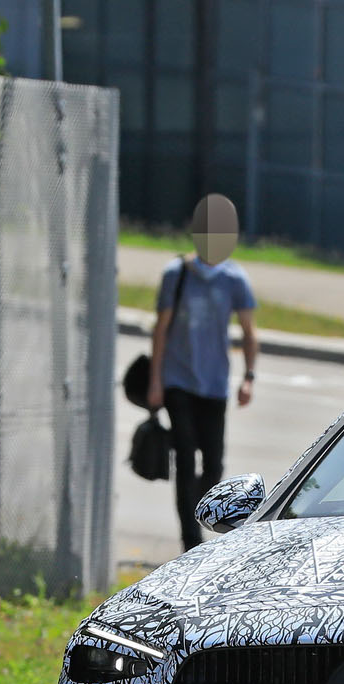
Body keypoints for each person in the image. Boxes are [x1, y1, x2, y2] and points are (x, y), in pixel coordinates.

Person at [146, 194, 259, 549]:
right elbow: (160, 329)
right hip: (178, 382)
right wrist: (155, 381)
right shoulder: (176, 274)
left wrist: (249, 377)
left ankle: (199, 516)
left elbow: (249, 332)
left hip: (214, 385)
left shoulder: (234, 279)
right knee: (184, 456)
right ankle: (190, 542)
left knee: (214, 465)